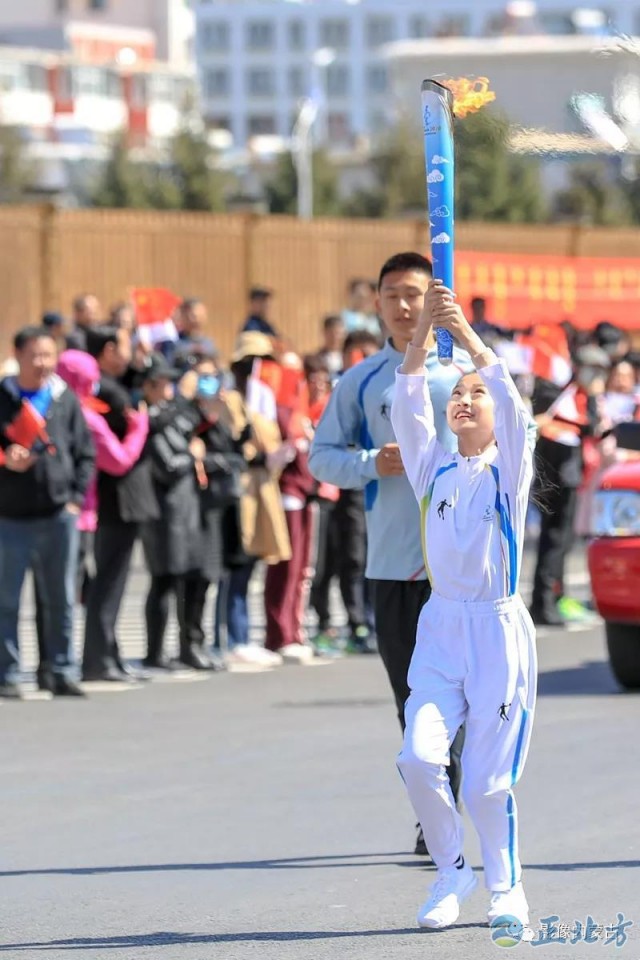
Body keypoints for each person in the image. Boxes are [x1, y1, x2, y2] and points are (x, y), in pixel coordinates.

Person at [310, 252, 470, 854]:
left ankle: (469, 798)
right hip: (395, 567)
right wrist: (371, 463)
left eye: (414, 294)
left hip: (465, 567)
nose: (404, 307)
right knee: (414, 702)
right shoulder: (363, 382)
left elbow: (516, 437)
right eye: (391, 295)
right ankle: (437, 817)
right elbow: (321, 456)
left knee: (473, 699)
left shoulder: (464, 376)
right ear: (375, 303)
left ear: (434, 300)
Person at [392, 280, 536, 930]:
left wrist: (471, 340)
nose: (465, 400)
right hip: (441, 629)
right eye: (458, 394)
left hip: (498, 635)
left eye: (473, 393)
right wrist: (425, 328)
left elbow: (509, 401)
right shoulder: (434, 471)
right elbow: (408, 401)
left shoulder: (510, 473)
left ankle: (505, 885)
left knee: (484, 782)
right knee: (418, 758)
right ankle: (452, 873)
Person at [0, 327, 95, 698]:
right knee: (7, 602)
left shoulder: (63, 398)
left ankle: (60, 670)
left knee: (61, 599)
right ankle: (7, 673)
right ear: (18, 355)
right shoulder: (3, 397)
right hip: (9, 517)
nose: (43, 363)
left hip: (58, 515)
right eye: (35, 355)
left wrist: (74, 497)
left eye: (48, 355)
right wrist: (7, 460)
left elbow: (84, 452)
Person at [82, 326, 154, 683]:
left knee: (111, 580)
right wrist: (142, 423)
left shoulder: (107, 387)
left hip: (118, 500)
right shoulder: (109, 392)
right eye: (123, 347)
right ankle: (99, 657)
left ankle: (107, 653)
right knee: (109, 581)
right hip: (119, 499)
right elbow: (128, 440)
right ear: (109, 350)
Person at [139, 354, 208, 671]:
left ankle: (182, 647)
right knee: (164, 580)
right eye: (163, 382)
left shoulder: (168, 414)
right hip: (166, 511)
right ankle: (155, 651)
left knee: (184, 578)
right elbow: (167, 464)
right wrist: (192, 458)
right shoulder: (149, 419)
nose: (169, 387)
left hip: (183, 508)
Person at [316, 314, 346, 381]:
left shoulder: (347, 357)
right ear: (324, 333)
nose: (335, 337)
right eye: (331, 333)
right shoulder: (317, 359)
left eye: (338, 333)